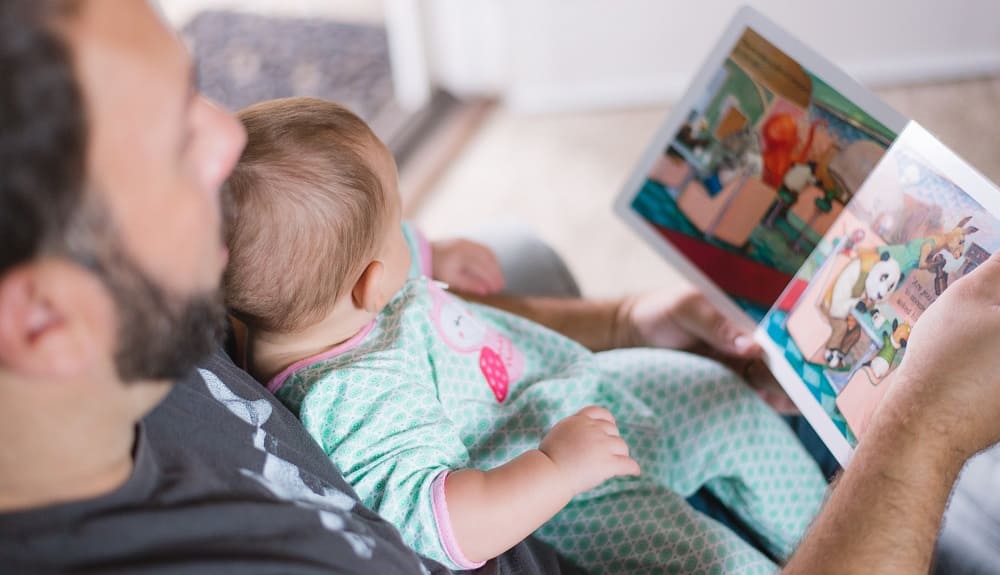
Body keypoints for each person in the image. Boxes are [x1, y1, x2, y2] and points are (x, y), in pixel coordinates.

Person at [0, 1, 997, 574]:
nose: (228, 137)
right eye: (174, 136)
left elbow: (377, 314)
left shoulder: (166, 290)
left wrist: (613, 318)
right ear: (42, 319)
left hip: (557, 404)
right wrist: (926, 426)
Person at [223, 97, 827, 573]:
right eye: (397, 221)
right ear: (370, 286)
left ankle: (830, 533)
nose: (406, 230)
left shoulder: (309, 304)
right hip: (575, 497)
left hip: (564, 388)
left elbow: (362, 252)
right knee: (715, 564)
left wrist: (432, 252)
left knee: (722, 398)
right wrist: (556, 469)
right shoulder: (352, 398)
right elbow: (439, 524)